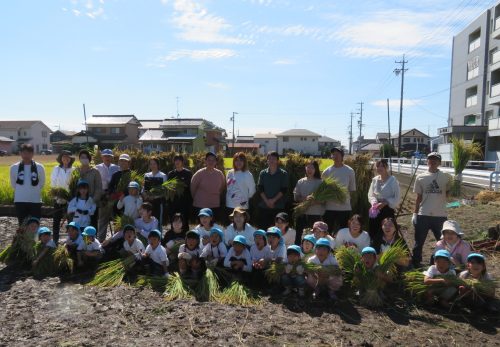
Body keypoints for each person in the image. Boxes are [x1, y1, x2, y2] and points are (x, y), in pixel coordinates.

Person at [412, 152, 452, 268]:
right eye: (430, 159)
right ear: (427, 161)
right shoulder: (420, 177)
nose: (433, 161)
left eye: (436, 160)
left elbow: (449, 194)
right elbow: (418, 197)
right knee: (419, 241)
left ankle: (440, 261)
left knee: (443, 241)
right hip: (423, 214)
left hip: (440, 215)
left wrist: (457, 183)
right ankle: (416, 261)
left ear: (439, 162)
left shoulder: (446, 177)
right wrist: (415, 213)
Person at [321, 147, 356, 232]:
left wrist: (343, 198)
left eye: (337, 154)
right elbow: (322, 190)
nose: (335, 156)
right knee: (327, 231)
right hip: (329, 207)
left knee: (343, 231)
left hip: (344, 207)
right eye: (333, 154)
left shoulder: (349, 171)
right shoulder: (326, 172)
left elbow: (352, 189)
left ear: (342, 156)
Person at [10, 144, 46, 225]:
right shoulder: (14, 167)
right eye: (24, 153)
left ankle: (34, 238)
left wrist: (33, 190)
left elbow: (42, 183)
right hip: (20, 200)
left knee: (35, 225)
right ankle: (22, 238)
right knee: (22, 225)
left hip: (35, 200)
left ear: (33, 154)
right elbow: (13, 184)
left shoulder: (39, 167)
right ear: (20, 153)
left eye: (29, 153)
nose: (26, 155)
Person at [367, 159, 400, 246]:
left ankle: (389, 248)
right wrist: (374, 203)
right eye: (378, 166)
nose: (379, 168)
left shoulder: (393, 180)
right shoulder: (375, 180)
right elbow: (371, 194)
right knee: (374, 229)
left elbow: (397, 197)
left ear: (386, 167)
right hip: (375, 209)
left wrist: (386, 202)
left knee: (388, 230)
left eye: (382, 166)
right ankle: (374, 248)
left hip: (387, 209)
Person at [293, 159, 324, 244]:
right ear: (305, 168)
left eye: (312, 168)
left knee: (315, 236)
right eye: (308, 167)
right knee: (299, 235)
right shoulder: (300, 181)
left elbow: (324, 200)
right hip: (302, 213)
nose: (310, 170)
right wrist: (305, 199)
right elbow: (296, 197)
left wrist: (313, 201)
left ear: (316, 169)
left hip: (316, 214)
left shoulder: (320, 183)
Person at [257, 151, 289, 229]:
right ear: (267, 160)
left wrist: (273, 200)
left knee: (276, 231)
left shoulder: (283, 173)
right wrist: (267, 201)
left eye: (274, 159)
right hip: (264, 206)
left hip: (278, 207)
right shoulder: (263, 173)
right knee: (263, 230)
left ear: (278, 161)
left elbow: (284, 189)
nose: (271, 161)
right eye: (269, 159)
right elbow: (260, 188)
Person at [190, 152, 226, 222]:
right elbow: (193, 188)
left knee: (212, 226)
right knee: (201, 226)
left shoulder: (219, 174)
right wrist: (197, 199)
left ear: (216, 162)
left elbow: (222, 187)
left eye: (213, 160)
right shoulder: (199, 173)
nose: (211, 162)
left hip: (214, 205)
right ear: (205, 161)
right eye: (209, 160)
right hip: (200, 205)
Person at [50, 150, 75, 243]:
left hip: (69, 200)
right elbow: (53, 183)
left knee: (70, 221)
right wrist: (57, 196)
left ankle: (71, 240)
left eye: (67, 157)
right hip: (58, 199)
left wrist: (70, 198)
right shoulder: (56, 169)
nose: (65, 159)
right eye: (64, 157)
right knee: (56, 221)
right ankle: (55, 240)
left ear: (70, 159)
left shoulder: (74, 170)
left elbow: (74, 185)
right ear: (61, 159)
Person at [96, 149, 119, 242]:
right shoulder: (97, 168)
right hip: (103, 196)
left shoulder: (117, 168)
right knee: (102, 219)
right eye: (105, 156)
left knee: (116, 219)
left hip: (114, 196)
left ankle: (116, 240)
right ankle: (101, 241)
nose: (107, 158)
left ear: (112, 157)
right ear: (102, 157)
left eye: (109, 156)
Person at [75, 150, 102, 228]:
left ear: (89, 159)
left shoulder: (95, 172)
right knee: (79, 225)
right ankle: (80, 240)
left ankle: (90, 240)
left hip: (92, 203)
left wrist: (93, 200)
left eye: (86, 157)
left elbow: (98, 188)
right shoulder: (76, 171)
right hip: (79, 203)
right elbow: (73, 186)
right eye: (82, 157)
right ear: (79, 159)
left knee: (92, 226)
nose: (84, 159)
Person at [225, 152, 256, 217]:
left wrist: (244, 198)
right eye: (236, 160)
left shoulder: (247, 174)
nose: (238, 162)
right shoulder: (230, 172)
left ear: (244, 162)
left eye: (241, 160)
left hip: (242, 206)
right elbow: (228, 187)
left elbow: (252, 190)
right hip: (229, 205)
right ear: (234, 161)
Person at [167, 154, 192, 231]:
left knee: (184, 221)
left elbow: (189, 186)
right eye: (175, 161)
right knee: (173, 221)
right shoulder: (171, 174)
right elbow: (168, 187)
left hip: (184, 202)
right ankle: (173, 236)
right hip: (173, 202)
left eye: (179, 160)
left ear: (182, 162)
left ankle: (185, 238)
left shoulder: (188, 173)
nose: (177, 162)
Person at [143, 157, 167, 227]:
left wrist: (155, 196)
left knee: (157, 220)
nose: (152, 166)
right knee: (147, 219)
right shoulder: (146, 175)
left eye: (154, 164)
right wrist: (145, 195)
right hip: (148, 202)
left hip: (158, 202)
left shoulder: (163, 176)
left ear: (158, 165)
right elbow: (143, 189)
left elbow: (164, 191)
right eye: (151, 164)